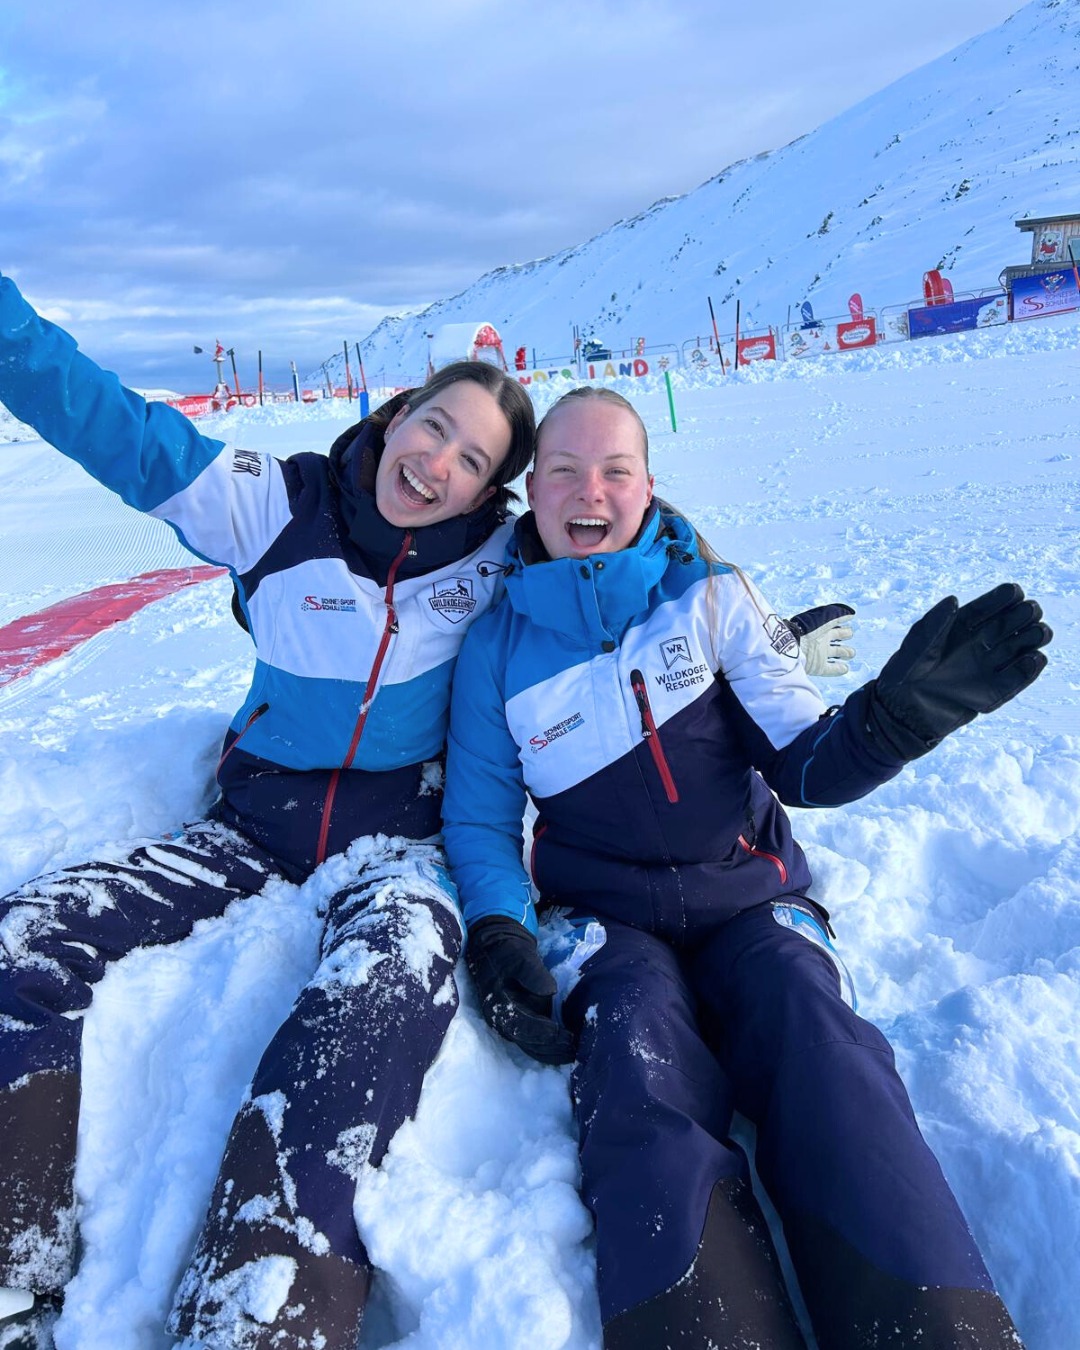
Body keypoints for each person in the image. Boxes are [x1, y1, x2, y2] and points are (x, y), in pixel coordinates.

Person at [442, 386, 1049, 1349]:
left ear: (647, 487)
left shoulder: (713, 597)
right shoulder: (497, 648)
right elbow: (480, 820)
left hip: (748, 895)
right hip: (608, 919)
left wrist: (890, 722)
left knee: (822, 1043)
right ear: (531, 489)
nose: (587, 489)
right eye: (562, 469)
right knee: (636, 1064)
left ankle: (937, 1324)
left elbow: (805, 761)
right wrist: (501, 925)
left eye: (614, 469)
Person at [0, 269, 536, 1349]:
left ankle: (255, 1322)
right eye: (434, 427)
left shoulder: (501, 564)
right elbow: (112, 423)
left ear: (488, 495)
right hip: (246, 833)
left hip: (401, 852)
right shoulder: (276, 506)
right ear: (395, 418)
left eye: (473, 460)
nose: (437, 463)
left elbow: (613, 551)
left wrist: (743, 639)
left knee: (365, 1016)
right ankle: (13, 1262)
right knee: (23, 937)